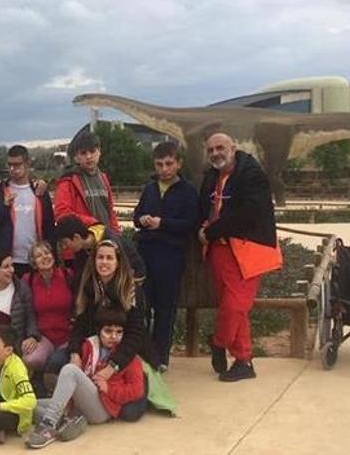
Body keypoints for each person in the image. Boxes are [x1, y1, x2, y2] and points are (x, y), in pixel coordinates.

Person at [198, 132, 281, 382]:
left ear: (233, 148)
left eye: (220, 148)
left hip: (249, 249)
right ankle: (244, 360)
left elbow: (248, 213)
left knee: (235, 306)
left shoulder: (252, 174)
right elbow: (204, 205)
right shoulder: (212, 176)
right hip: (220, 250)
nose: (215, 153)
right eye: (211, 150)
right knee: (233, 307)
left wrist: (210, 231)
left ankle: (218, 341)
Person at [26, 309, 148, 449]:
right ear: (98, 331)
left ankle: (48, 427)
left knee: (70, 370)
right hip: (78, 404)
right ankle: (66, 422)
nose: (113, 336)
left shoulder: (128, 357)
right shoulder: (89, 347)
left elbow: (137, 390)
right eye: (108, 331)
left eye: (119, 332)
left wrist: (110, 389)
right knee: (28, 404)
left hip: (103, 408)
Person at [133, 141, 200, 371]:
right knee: (142, 308)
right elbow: (136, 216)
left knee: (165, 309)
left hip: (170, 256)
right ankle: (143, 354)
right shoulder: (149, 189)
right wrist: (142, 220)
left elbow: (190, 223)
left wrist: (163, 223)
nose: (164, 169)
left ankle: (161, 358)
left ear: (179, 163)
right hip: (145, 254)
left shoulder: (188, 191)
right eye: (159, 164)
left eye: (169, 163)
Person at [67, 240, 153, 388]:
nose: (104, 262)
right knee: (56, 363)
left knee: (129, 407)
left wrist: (113, 365)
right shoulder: (89, 287)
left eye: (109, 258)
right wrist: (75, 353)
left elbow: (135, 334)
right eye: (100, 257)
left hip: (124, 350)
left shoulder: (130, 291)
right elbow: (79, 325)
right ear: (94, 260)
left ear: (118, 262)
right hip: (95, 346)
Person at [0, 145, 55, 277]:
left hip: (37, 261)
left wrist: (52, 256)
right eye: (9, 165)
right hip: (8, 263)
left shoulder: (40, 191)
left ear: (27, 164)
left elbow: (49, 226)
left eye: (17, 165)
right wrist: (4, 207)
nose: (12, 169)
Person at [23, 241, 74, 383]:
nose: (44, 257)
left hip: (67, 335)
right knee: (31, 358)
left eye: (47, 253)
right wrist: (31, 335)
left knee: (56, 362)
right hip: (44, 336)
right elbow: (27, 312)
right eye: (39, 256)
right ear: (33, 262)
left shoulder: (68, 275)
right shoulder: (28, 280)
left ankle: (53, 378)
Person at [54, 129, 120, 232]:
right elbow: (62, 214)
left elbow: (110, 211)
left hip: (105, 239)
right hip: (81, 240)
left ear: (99, 152)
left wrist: (116, 235)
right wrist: (93, 223)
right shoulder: (67, 181)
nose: (89, 156)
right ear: (76, 158)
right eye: (83, 153)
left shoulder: (103, 178)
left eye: (92, 151)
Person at [54, 215, 146, 285]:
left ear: (76, 237)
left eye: (65, 243)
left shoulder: (111, 243)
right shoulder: (81, 250)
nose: (64, 247)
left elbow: (129, 270)